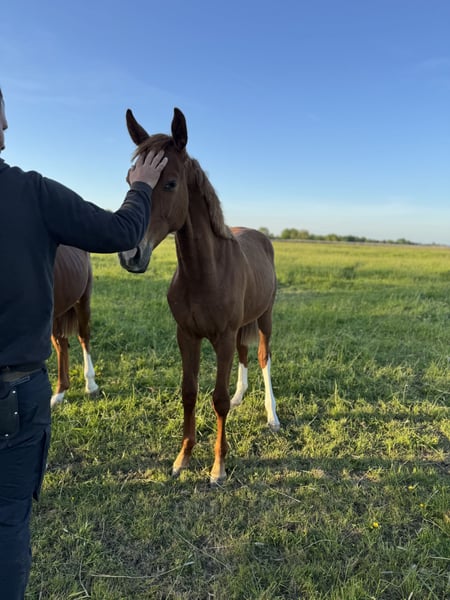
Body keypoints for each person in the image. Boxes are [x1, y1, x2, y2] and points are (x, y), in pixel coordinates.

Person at [0, 87, 168, 599]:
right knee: (7, 522)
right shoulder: (31, 193)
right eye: (1, 117)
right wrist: (141, 187)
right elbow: (121, 231)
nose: (6, 127)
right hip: (13, 395)